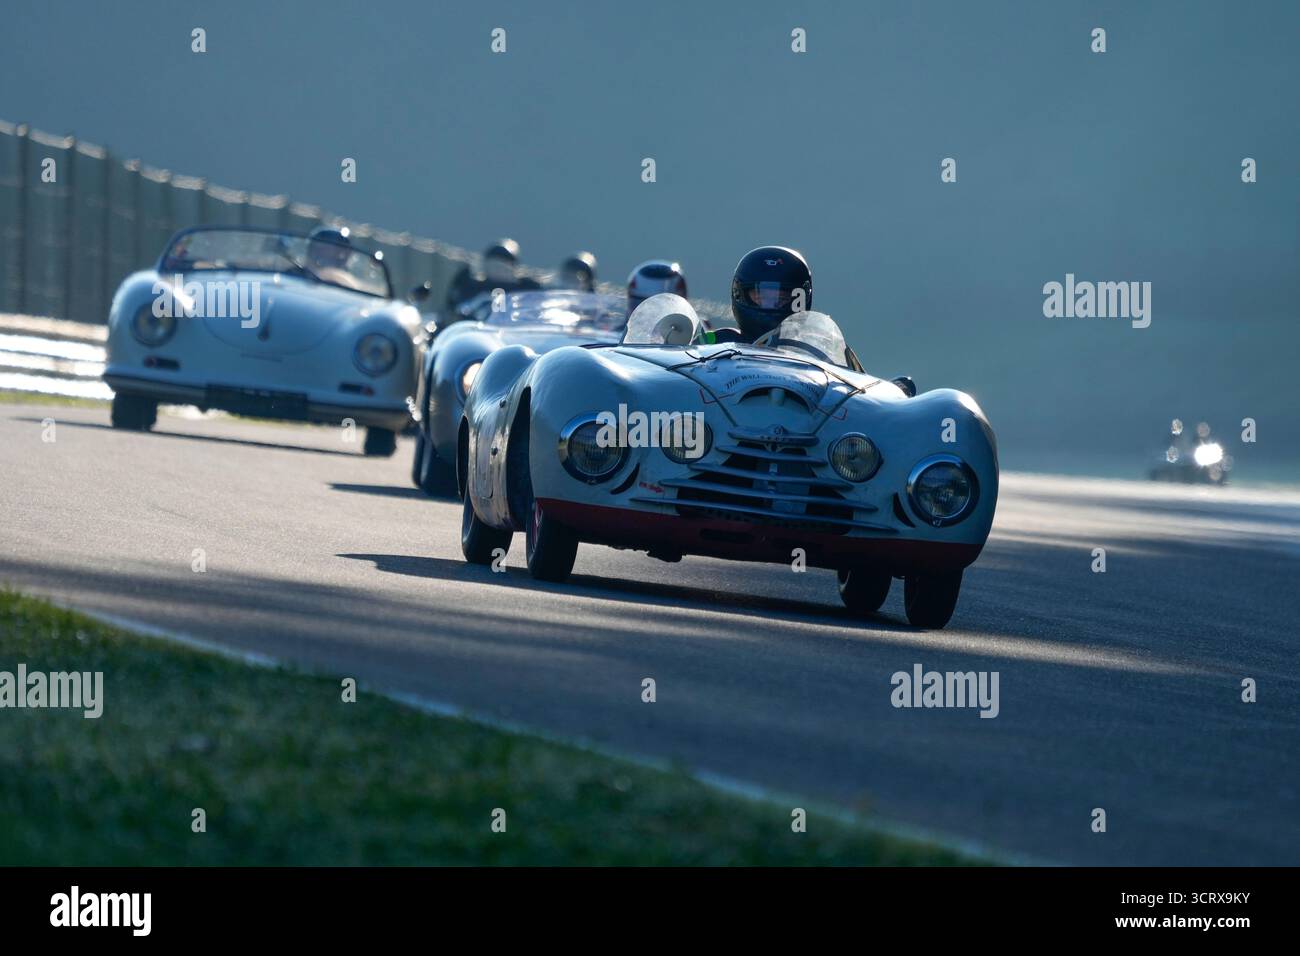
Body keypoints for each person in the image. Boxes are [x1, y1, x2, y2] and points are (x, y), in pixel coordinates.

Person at [721, 245, 813, 343]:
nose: (770, 305)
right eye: (761, 297)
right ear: (739, 295)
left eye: (781, 298)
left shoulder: (815, 351)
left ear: (800, 299)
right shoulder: (716, 348)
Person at [444, 238, 542, 311]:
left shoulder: (527, 289)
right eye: (494, 266)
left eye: (503, 266)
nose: (498, 270)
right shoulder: (472, 287)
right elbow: (456, 309)